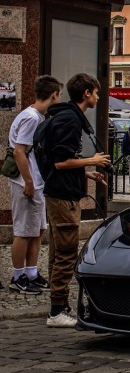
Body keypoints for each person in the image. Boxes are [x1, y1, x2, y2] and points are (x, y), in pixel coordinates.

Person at [43, 73, 110, 327]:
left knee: (58, 251)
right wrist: (92, 160)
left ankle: (58, 305)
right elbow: (60, 162)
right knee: (67, 252)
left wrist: (87, 172)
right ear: (86, 93)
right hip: (63, 195)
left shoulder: (66, 115)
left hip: (62, 190)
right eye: (96, 93)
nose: (97, 97)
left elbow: (63, 161)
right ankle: (57, 310)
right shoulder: (70, 120)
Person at [7, 75, 62, 294]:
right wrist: (28, 182)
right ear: (54, 94)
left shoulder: (36, 116)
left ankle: (31, 272)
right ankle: (18, 276)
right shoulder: (31, 118)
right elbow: (19, 151)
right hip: (26, 182)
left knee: (36, 230)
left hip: (35, 181)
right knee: (23, 231)